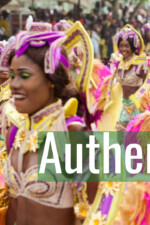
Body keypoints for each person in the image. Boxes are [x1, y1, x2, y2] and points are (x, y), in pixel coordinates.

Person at [3, 23, 84, 225]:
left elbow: (95, 215)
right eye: (12, 75)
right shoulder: (16, 133)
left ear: (51, 79)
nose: (14, 84)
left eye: (25, 75)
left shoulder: (73, 134)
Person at [97, 24, 150, 131]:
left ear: (133, 47)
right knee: (120, 136)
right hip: (123, 107)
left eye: (127, 46)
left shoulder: (140, 64)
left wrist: (140, 98)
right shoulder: (118, 63)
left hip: (138, 109)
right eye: (121, 46)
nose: (123, 49)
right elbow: (112, 81)